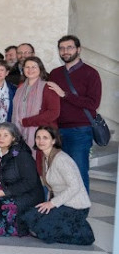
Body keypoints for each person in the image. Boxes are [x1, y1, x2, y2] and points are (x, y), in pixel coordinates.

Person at [20, 126, 94, 245]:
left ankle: (82, 230)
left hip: (76, 206)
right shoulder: (46, 157)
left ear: (53, 141)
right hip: (61, 203)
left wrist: (52, 203)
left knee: (43, 228)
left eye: (45, 138)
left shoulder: (61, 159)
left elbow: (75, 186)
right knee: (29, 217)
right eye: (38, 137)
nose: (41, 141)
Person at [47, 35, 102, 192]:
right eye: (62, 48)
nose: (65, 51)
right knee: (60, 175)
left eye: (69, 47)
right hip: (57, 130)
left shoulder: (91, 73)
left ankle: (81, 207)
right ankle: (65, 206)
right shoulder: (55, 73)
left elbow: (93, 103)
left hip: (80, 131)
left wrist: (64, 94)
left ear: (78, 49)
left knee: (78, 172)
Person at [11, 56, 60, 152]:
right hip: (21, 133)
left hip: (43, 136)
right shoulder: (20, 89)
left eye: (34, 67)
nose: (30, 70)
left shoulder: (48, 87)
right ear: (23, 69)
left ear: (40, 69)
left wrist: (27, 122)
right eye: (27, 67)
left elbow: (54, 112)